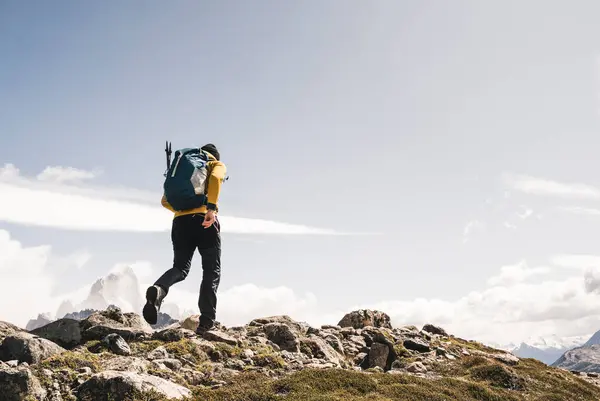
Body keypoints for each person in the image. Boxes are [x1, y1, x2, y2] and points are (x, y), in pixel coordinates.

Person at [143, 143, 227, 335]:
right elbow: (215, 178)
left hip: (180, 222)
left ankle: (159, 289)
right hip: (205, 220)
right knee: (211, 271)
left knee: (180, 268)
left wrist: (184, 211)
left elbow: (165, 200)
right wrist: (210, 209)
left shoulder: (181, 167)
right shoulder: (215, 164)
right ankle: (206, 322)